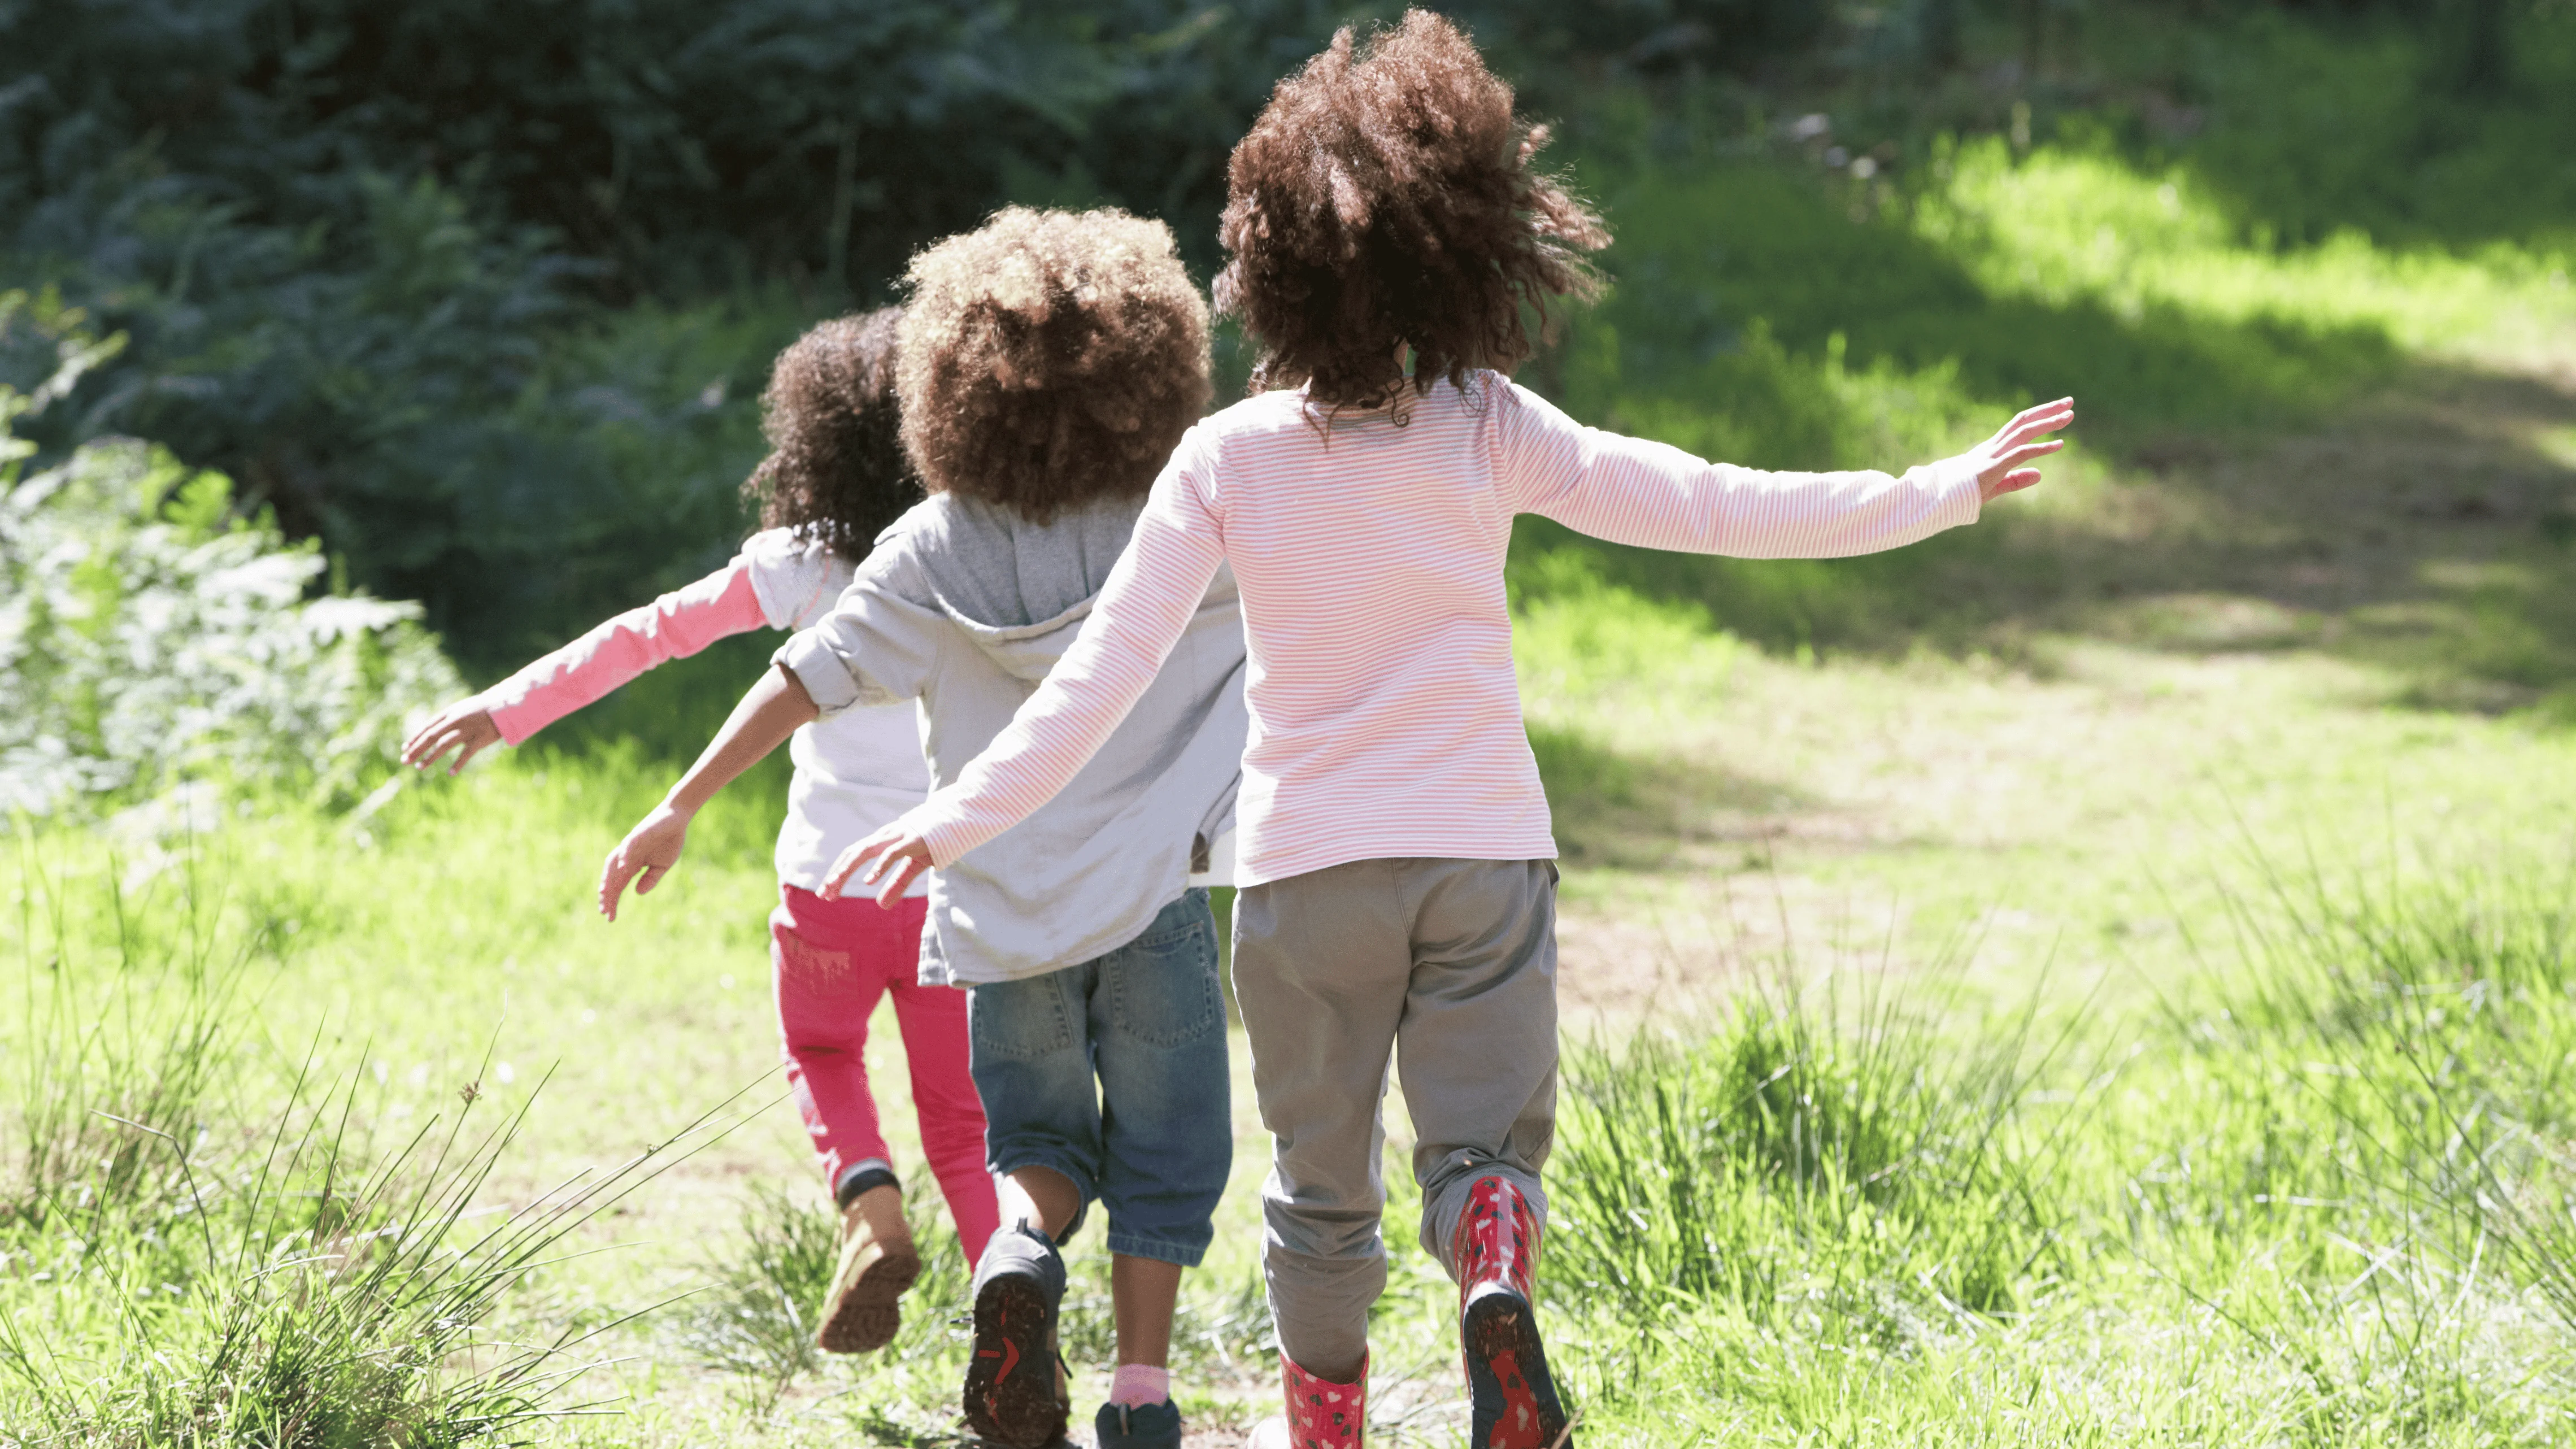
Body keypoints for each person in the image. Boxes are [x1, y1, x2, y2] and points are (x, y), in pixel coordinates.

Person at [820, 14, 2077, 1449]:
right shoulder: (1489, 425)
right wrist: (1937, 488)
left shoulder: (1222, 460)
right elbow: (1714, 498)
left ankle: (1330, 1430)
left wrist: (956, 815)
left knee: (1318, 1191)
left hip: (1304, 880)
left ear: (1265, 265)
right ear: (1467, 248)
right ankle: (1490, 1257)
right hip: (1483, 855)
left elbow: (1097, 676)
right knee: (1483, 1146)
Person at [594, 207, 1247, 1449]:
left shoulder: (928, 546)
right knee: (1166, 1154)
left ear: (949, 384)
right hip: (1153, 903)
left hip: (1000, 918)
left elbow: (805, 675)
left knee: (1039, 1145)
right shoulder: (1181, 516)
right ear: (1148, 368)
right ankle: (1143, 1397)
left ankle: (1015, 1255)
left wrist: (681, 801)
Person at [400, 310, 999, 1356]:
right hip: (952, 888)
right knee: (962, 1122)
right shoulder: (977, 554)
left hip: (829, 890)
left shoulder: (804, 565)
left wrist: (508, 708)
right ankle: (1014, 1321)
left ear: (817, 440)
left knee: (820, 1048)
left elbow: (648, 636)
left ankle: (868, 1207)